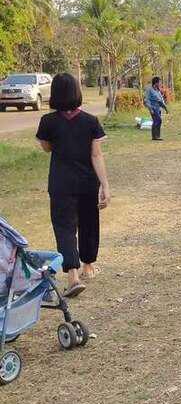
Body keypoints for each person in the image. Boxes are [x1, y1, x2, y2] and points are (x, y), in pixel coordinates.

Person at [35, 73, 111, 298]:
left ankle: (73, 276)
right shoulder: (91, 121)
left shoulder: (48, 121)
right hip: (87, 183)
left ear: (54, 94)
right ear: (77, 92)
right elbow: (96, 155)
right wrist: (105, 186)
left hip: (60, 183)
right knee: (89, 223)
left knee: (64, 228)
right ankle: (88, 265)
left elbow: (47, 148)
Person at [143, 76, 168, 141]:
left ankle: (157, 136)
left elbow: (160, 100)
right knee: (158, 120)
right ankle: (154, 136)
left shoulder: (158, 90)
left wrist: (165, 108)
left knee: (158, 121)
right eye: (159, 82)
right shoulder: (149, 90)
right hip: (153, 108)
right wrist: (150, 109)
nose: (160, 84)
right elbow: (146, 100)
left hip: (158, 108)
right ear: (156, 83)